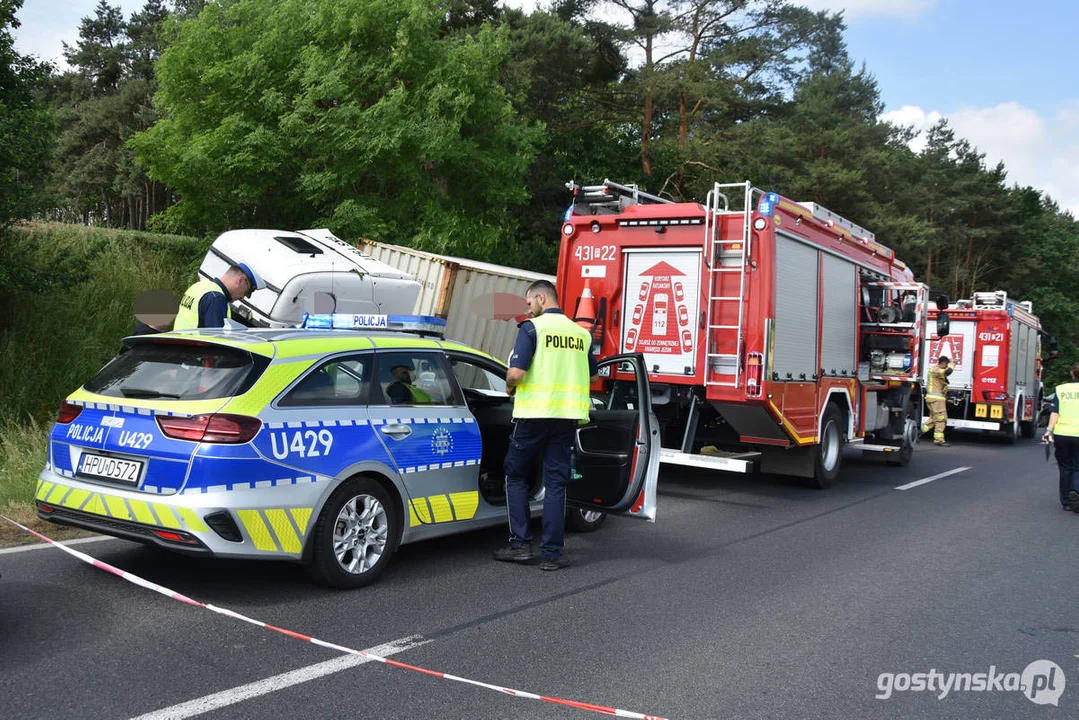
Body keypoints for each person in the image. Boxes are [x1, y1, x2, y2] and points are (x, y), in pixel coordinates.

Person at [493, 279, 598, 571]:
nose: (528, 309)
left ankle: (521, 546)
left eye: (529, 303)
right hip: (566, 418)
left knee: (515, 476)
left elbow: (515, 373)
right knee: (555, 484)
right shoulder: (580, 333)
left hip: (533, 415)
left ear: (541, 298)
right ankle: (553, 554)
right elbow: (592, 374)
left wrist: (509, 388)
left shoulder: (532, 329)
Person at [173, 263, 264, 330]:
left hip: (177, 349)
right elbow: (215, 343)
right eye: (246, 292)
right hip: (194, 354)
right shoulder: (216, 299)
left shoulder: (198, 287)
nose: (242, 298)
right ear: (241, 280)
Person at [1043, 362, 1079, 512]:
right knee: (1078, 466)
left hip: (1062, 434)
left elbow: (1055, 413)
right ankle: (1076, 491)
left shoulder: (1061, 389)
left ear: (1072, 373)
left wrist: (1048, 431)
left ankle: (1066, 501)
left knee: (1064, 467)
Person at [923, 355, 953, 446]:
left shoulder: (935, 370)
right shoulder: (936, 370)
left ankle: (919, 431)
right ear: (943, 363)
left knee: (933, 418)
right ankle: (939, 439)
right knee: (941, 419)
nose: (946, 366)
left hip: (934, 399)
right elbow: (948, 372)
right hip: (936, 400)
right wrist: (952, 364)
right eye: (946, 365)